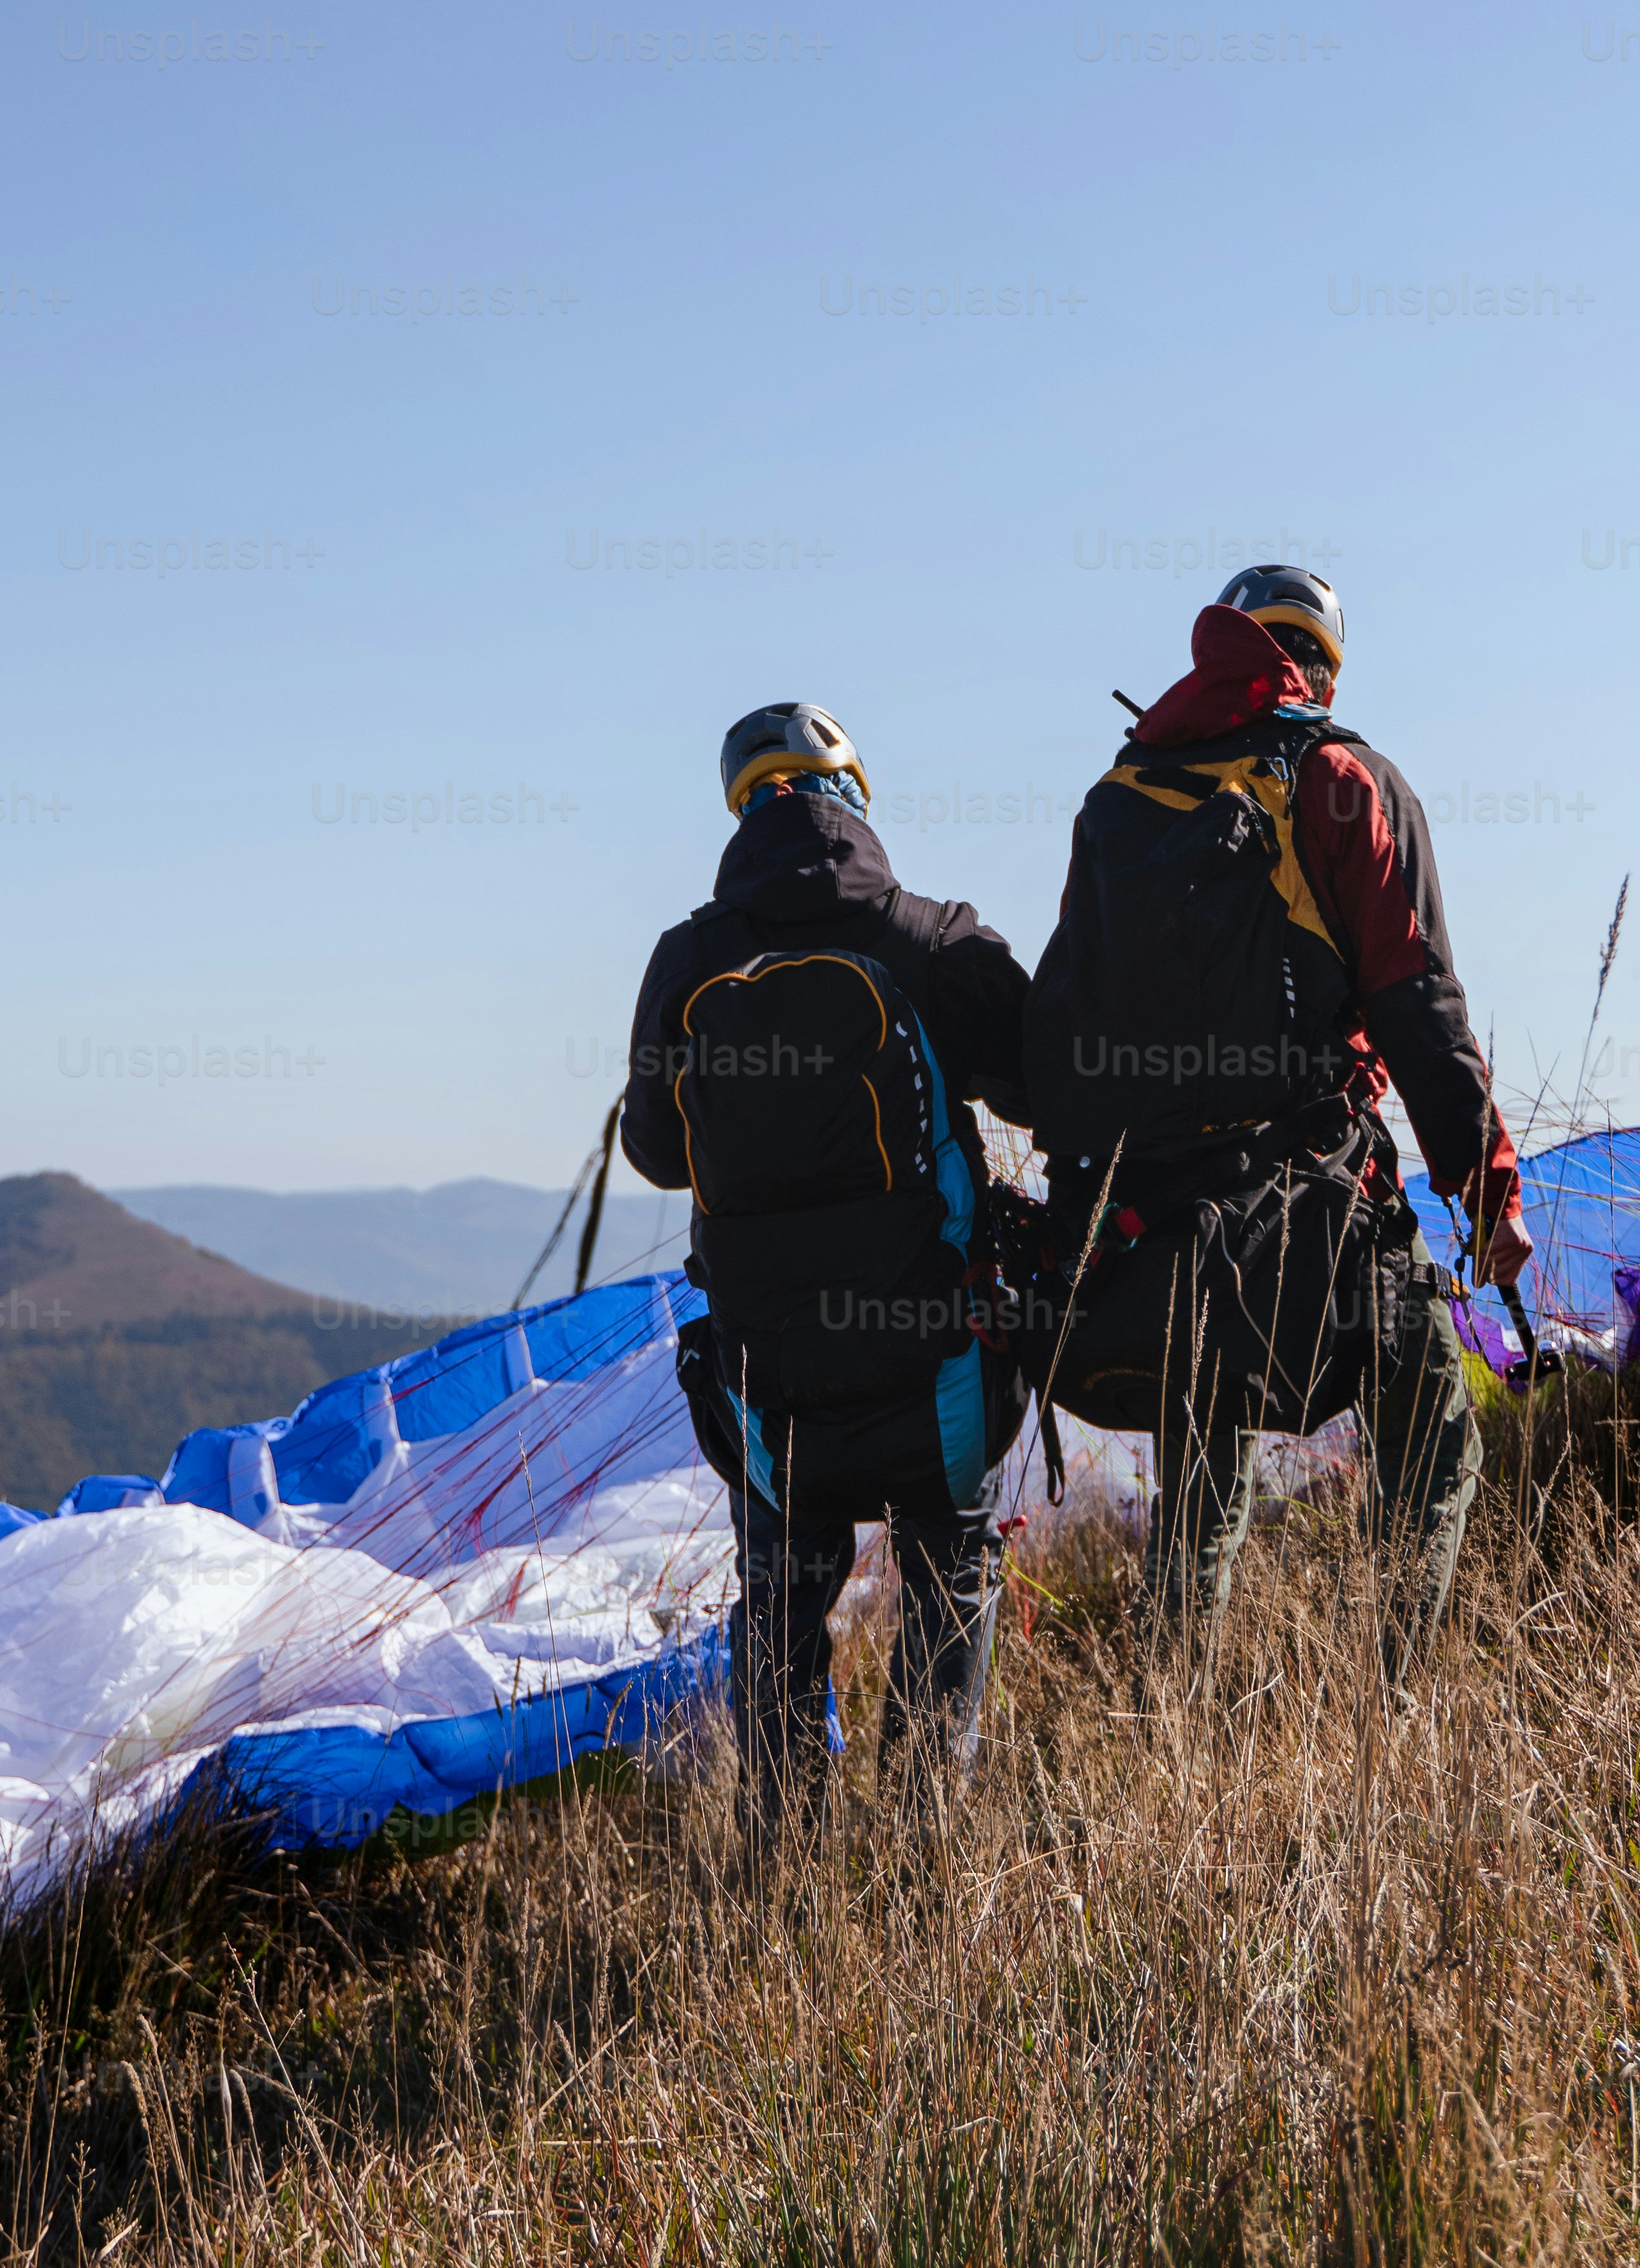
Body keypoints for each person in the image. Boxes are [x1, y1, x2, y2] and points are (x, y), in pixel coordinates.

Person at [1020, 565, 1530, 1669]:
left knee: (1203, 1468)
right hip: (1312, 1202)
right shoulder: (1341, 778)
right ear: (1321, 674)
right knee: (1434, 1436)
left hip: (1149, 1226)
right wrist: (1487, 1191)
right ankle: (1390, 1705)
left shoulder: (1118, 798)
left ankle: (1169, 1722)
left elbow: (1065, 1013)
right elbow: (1417, 1000)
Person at [619, 701, 1038, 1828]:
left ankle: (785, 1857)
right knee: (951, 1570)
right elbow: (1042, 1084)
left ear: (742, 811)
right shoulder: (932, 938)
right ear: (852, 795)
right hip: (936, 1366)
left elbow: (656, 1152)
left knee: (780, 1601)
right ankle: (922, 1842)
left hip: (773, 1387)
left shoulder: (689, 962)